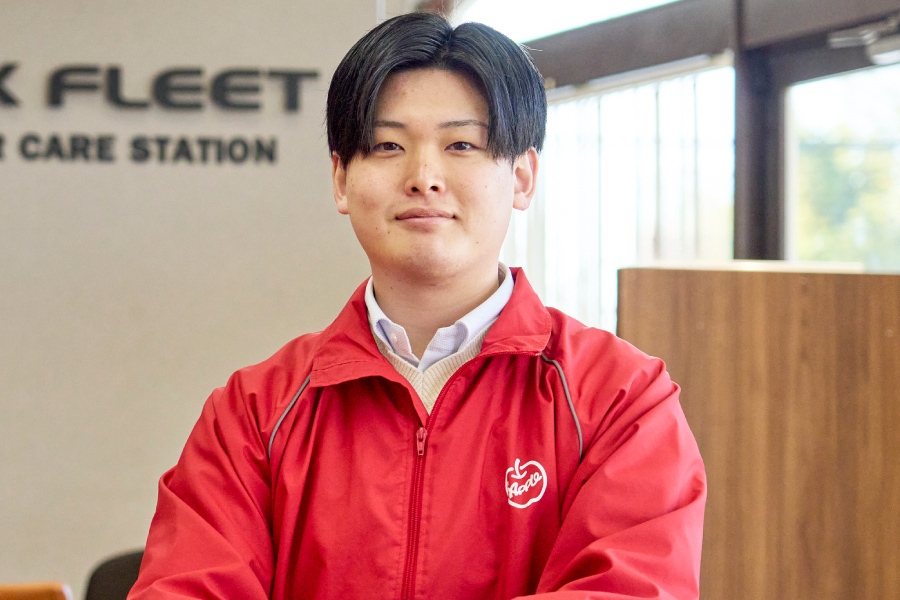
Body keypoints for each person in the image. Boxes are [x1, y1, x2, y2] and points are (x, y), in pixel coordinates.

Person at [128, 12, 706, 600]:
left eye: (461, 145)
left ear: (522, 177)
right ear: (341, 179)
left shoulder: (618, 399)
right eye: (388, 145)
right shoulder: (253, 414)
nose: (423, 176)